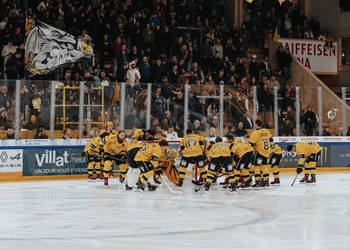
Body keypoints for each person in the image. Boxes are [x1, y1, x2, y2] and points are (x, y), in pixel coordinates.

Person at [249, 120, 273, 187]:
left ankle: (257, 181)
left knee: (257, 167)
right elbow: (271, 141)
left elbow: (251, 144)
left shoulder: (255, 133)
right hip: (267, 152)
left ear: (256, 124)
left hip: (259, 152)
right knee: (264, 166)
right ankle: (266, 181)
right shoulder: (266, 131)